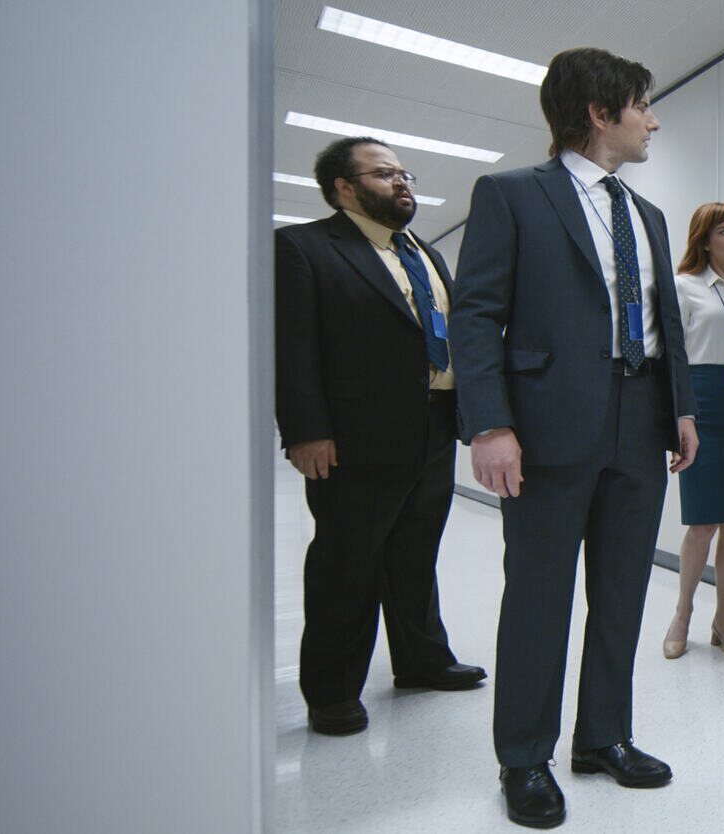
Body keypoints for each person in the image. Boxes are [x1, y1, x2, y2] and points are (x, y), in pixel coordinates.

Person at [451, 47, 699, 829]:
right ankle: (525, 758)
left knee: (622, 591)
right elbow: (475, 314)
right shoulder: (512, 195)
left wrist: (682, 408)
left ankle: (603, 737)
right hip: (547, 427)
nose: (652, 120)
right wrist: (490, 423)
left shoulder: (647, 215)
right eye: (642, 106)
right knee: (539, 597)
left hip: (641, 420)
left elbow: (663, 325)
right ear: (599, 113)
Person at [274, 136, 487, 737]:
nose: (401, 182)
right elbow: (293, 348)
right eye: (384, 173)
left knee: (416, 550)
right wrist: (306, 431)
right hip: (354, 436)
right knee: (348, 561)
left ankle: (422, 659)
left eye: (403, 173)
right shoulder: (304, 247)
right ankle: (332, 690)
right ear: (344, 187)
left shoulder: (423, 252)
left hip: (434, 423)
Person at [660, 202, 724, 660]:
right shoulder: (685, 287)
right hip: (704, 408)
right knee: (702, 523)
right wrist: (681, 417)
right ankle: (682, 614)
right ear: (704, 239)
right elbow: (673, 358)